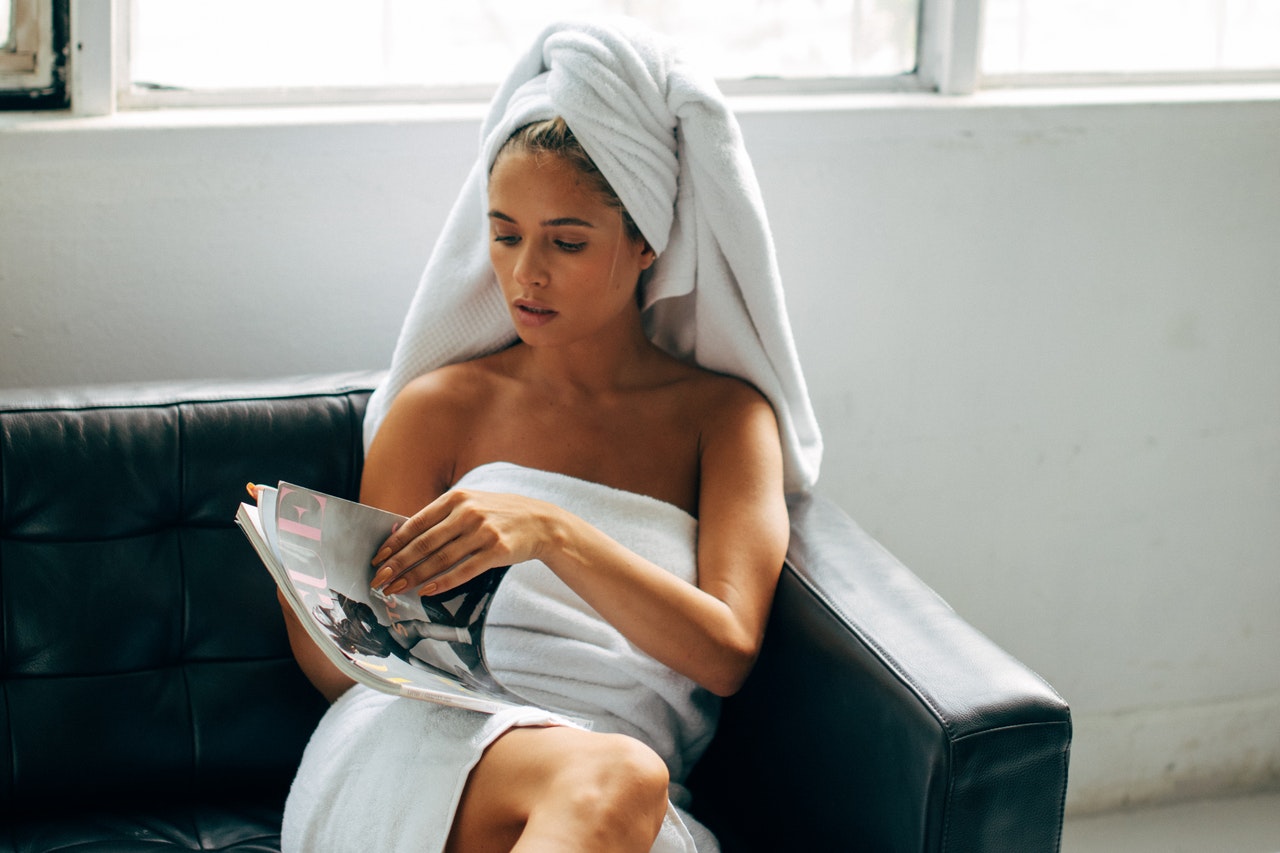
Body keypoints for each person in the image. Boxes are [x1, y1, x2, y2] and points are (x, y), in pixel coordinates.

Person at [276, 18, 821, 853]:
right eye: (503, 234)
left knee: (621, 787)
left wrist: (552, 532)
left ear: (646, 242)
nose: (525, 273)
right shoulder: (442, 406)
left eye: (567, 241)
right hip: (422, 743)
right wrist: (309, 599)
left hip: (610, 777)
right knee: (617, 780)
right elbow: (355, 670)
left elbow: (726, 654)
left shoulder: (727, 420)